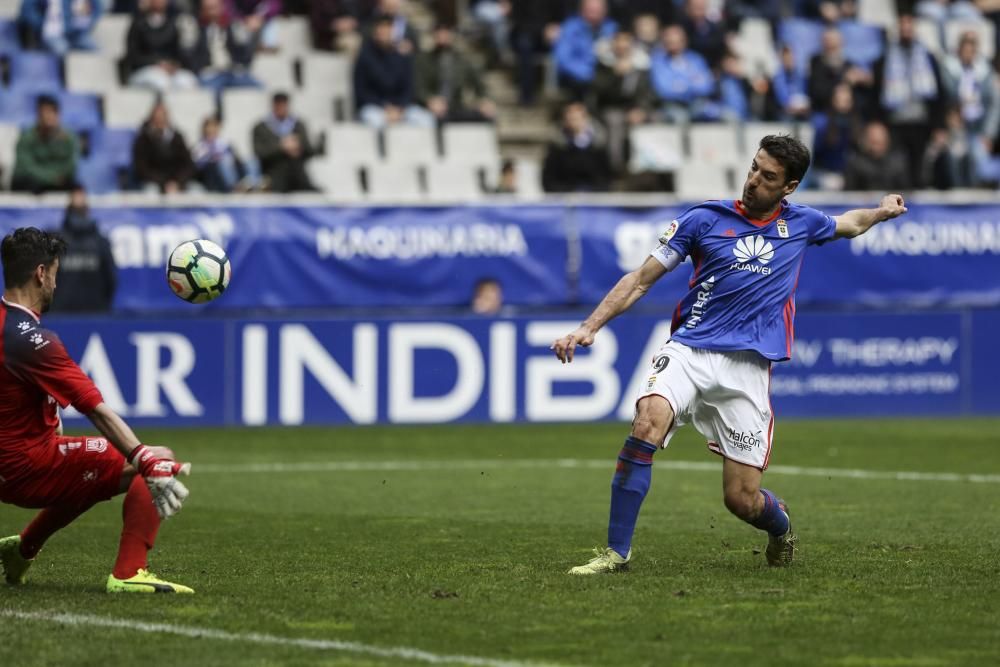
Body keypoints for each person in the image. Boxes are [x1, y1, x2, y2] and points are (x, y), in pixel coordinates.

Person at [553, 134, 907, 574]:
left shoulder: (801, 223)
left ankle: (781, 528)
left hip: (747, 368)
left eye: (769, 176)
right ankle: (616, 554)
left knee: (741, 500)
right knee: (646, 423)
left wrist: (882, 211)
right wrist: (589, 327)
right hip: (690, 350)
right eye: (754, 168)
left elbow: (848, 223)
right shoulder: (704, 218)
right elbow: (641, 279)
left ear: (789, 187)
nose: (754, 180)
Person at [0, 227, 193, 593]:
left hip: (9, 467)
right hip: (24, 468)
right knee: (155, 457)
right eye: (56, 273)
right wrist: (146, 460)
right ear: (41, 273)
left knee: (88, 467)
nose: (56, 283)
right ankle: (128, 573)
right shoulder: (33, 340)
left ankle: (23, 549)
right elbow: (97, 410)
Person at [50, 186, 117, 313]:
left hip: (59, 317)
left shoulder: (54, 242)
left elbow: (44, 281)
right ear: (87, 210)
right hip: (95, 315)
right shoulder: (101, 242)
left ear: (67, 209)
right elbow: (111, 281)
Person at [11, 95, 78, 194]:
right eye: (44, 113)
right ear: (38, 115)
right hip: (34, 183)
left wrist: (56, 178)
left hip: (59, 183)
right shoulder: (26, 138)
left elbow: (70, 165)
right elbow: (26, 167)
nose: (47, 117)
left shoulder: (68, 138)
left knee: (77, 190)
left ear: (58, 115)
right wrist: (51, 178)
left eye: (51, 112)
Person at [252, 92, 317, 192]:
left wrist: (297, 147)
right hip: (273, 172)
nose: (281, 108)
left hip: (297, 172)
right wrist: (282, 147)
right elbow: (259, 153)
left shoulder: (298, 125)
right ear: (273, 106)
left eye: (283, 105)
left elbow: (309, 150)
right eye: (278, 105)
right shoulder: (260, 127)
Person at [541, 101, 612, 192]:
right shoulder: (558, 146)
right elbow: (549, 178)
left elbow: (606, 176)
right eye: (569, 119)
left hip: (594, 198)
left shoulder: (599, 145)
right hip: (565, 198)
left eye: (576, 118)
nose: (572, 122)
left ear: (585, 119)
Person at [132, 101, 197, 194]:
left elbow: (188, 165)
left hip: (177, 182)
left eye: (162, 118)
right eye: (156, 118)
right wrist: (164, 183)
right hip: (154, 182)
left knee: (196, 191)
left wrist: (177, 182)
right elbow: (142, 168)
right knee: (150, 191)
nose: (160, 121)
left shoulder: (177, 137)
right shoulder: (143, 139)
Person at [17, 0, 102, 55]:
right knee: (61, 49)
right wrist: (41, 24)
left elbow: (97, 8)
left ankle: (89, 80)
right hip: (52, 32)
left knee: (94, 50)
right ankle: (64, 80)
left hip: (77, 34)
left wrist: (86, 25)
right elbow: (27, 10)